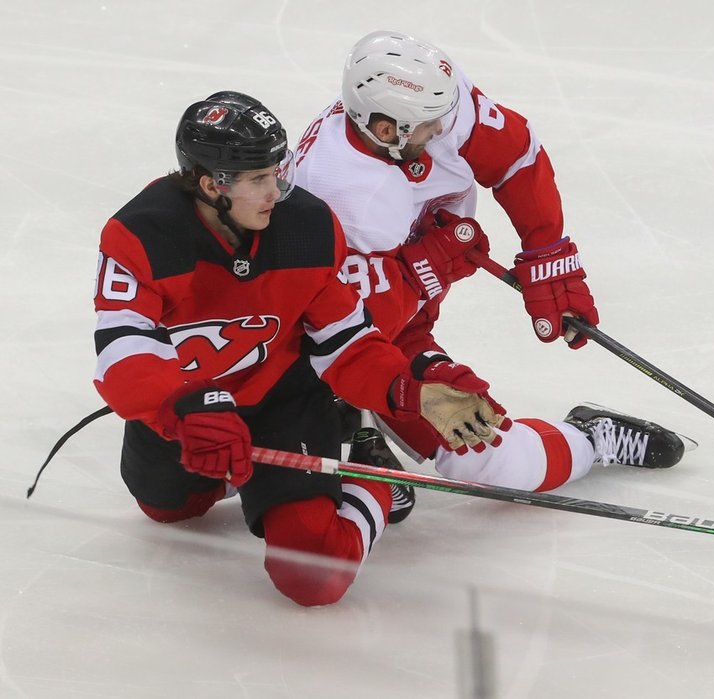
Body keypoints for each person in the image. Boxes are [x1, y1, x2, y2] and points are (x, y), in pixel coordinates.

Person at [92, 90, 505, 607]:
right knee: (169, 509)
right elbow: (123, 347)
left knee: (314, 578)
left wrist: (405, 391)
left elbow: (346, 341)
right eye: (258, 179)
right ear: (210, 185)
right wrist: (180, 408)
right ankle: (256, 475)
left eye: (277, 171)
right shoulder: (142, 234)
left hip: (282, 403)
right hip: (189, 404)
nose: (277, 189)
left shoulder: (307, 227)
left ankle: (376, 480)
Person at [292, 30, 692, 491]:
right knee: (494, 464)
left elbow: (515, 154)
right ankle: (588, 439)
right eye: (431, 125)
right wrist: (429, 266)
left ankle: (349, 411)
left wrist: (547, 251)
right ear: (388, 130)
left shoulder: (419, 104)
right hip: (343, 344)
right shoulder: (345, 194)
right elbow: (346, 327)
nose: (446, 129)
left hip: (384, 314)